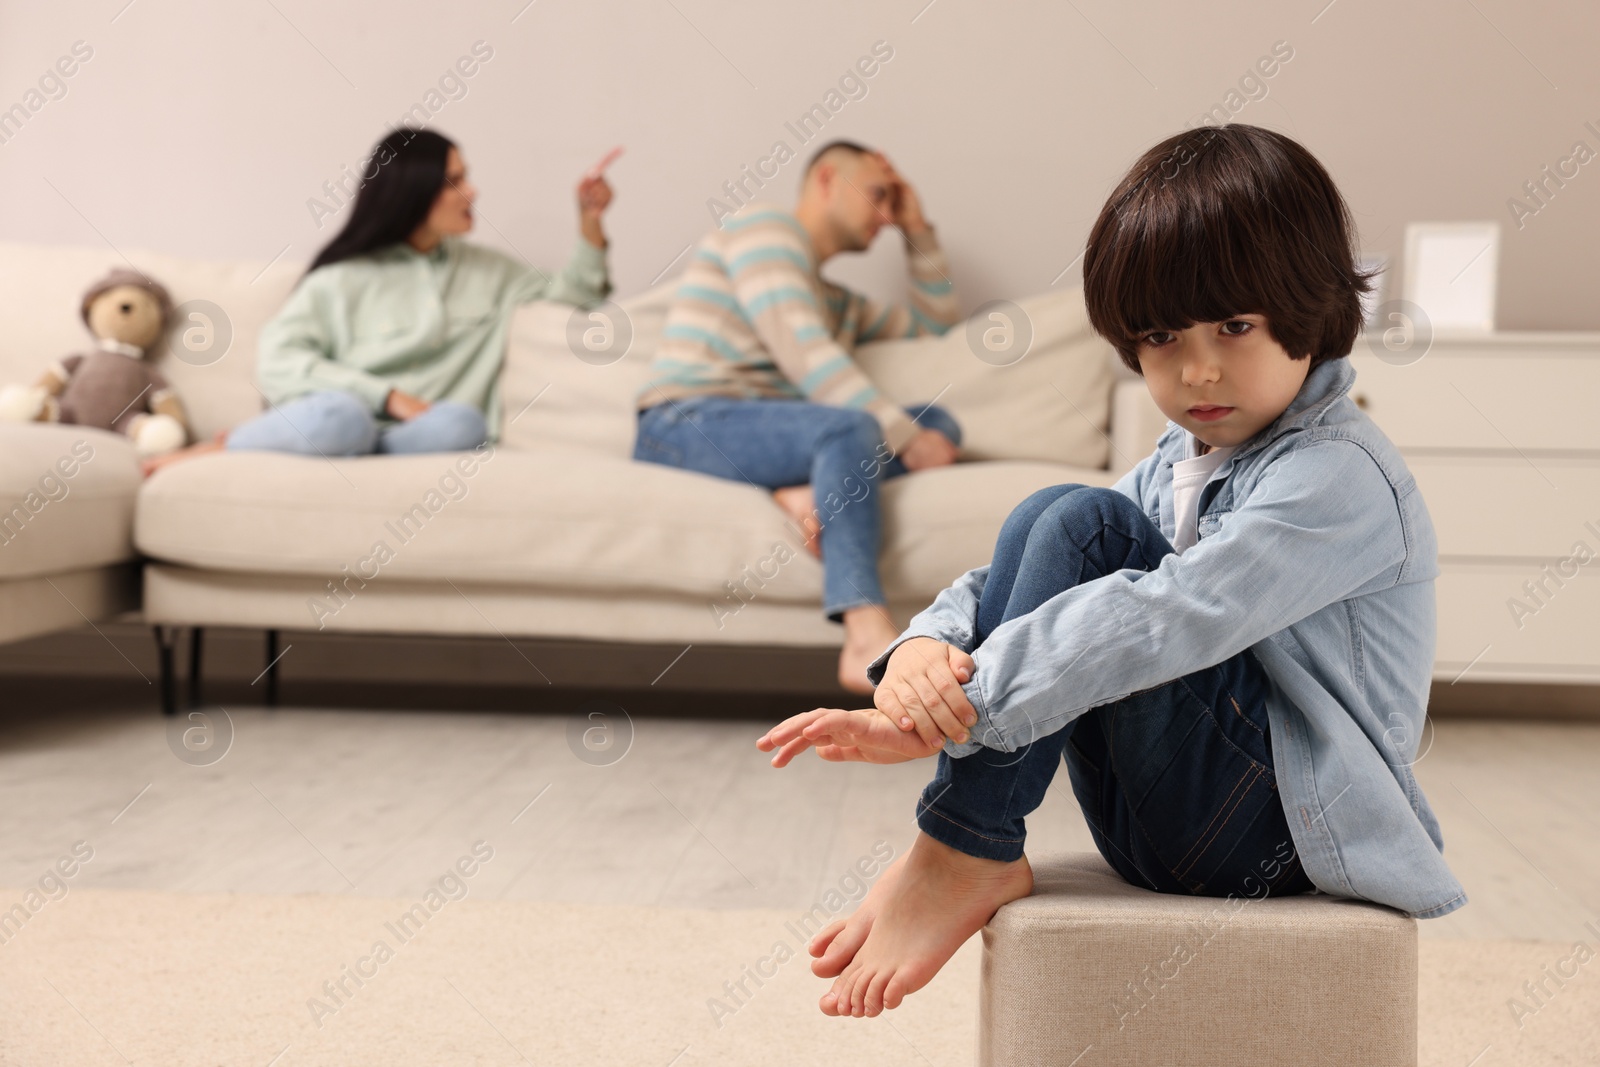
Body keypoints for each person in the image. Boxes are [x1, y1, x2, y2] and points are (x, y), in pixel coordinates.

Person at [756, 124, 1466, 1019]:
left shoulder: (1336, 475)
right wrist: (923, 656)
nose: (1197, 366)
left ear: (1311, 307)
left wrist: (960, 713)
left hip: (1280, 837)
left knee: (1087, 528)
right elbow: (1040, 565)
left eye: (1235, 325)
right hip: (1160, 830)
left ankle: (961, 846)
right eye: (1163, 335)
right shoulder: (1190, 449)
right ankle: (964, 844)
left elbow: (1174, 614)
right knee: (1060, 518)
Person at [632, 140, 963, 693]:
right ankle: (863, 628)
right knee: (857, 425)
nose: (884, 215)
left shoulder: (836, 301)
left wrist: (916, 226)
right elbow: (805, 355)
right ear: (828, 179)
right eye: (878, 196)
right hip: (682, 422)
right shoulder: (763, 231)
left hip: (773, 430)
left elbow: (937, 322)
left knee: (940, 420)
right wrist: (904, 440)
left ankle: (806, 484)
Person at [142, 127, 613, 475]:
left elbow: (577, 295)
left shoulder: (490, 272)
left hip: (420, 438)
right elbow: (278, 360)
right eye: (455, 181)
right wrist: (387, 397)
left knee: (464, 424)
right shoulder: (341, 279)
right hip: (340, 419)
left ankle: (357, 456)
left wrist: (589, 219)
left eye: (466, 178)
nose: (472, 192)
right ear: (414, 193)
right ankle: (226, 447)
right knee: (341, 417)